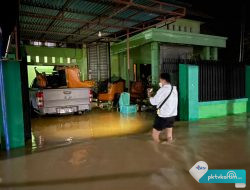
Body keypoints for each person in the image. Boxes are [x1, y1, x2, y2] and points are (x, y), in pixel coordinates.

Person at [148, 73, 178, 143]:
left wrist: (149, 95)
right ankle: (169, 147)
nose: (160, 81)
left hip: (163, 116)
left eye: (160, 79)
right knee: (169, 136)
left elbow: (153, 102)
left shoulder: (162, 90)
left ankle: (159, 149)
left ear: (163, 80)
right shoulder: (174, 89)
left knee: (154, 135)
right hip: (172, 116)